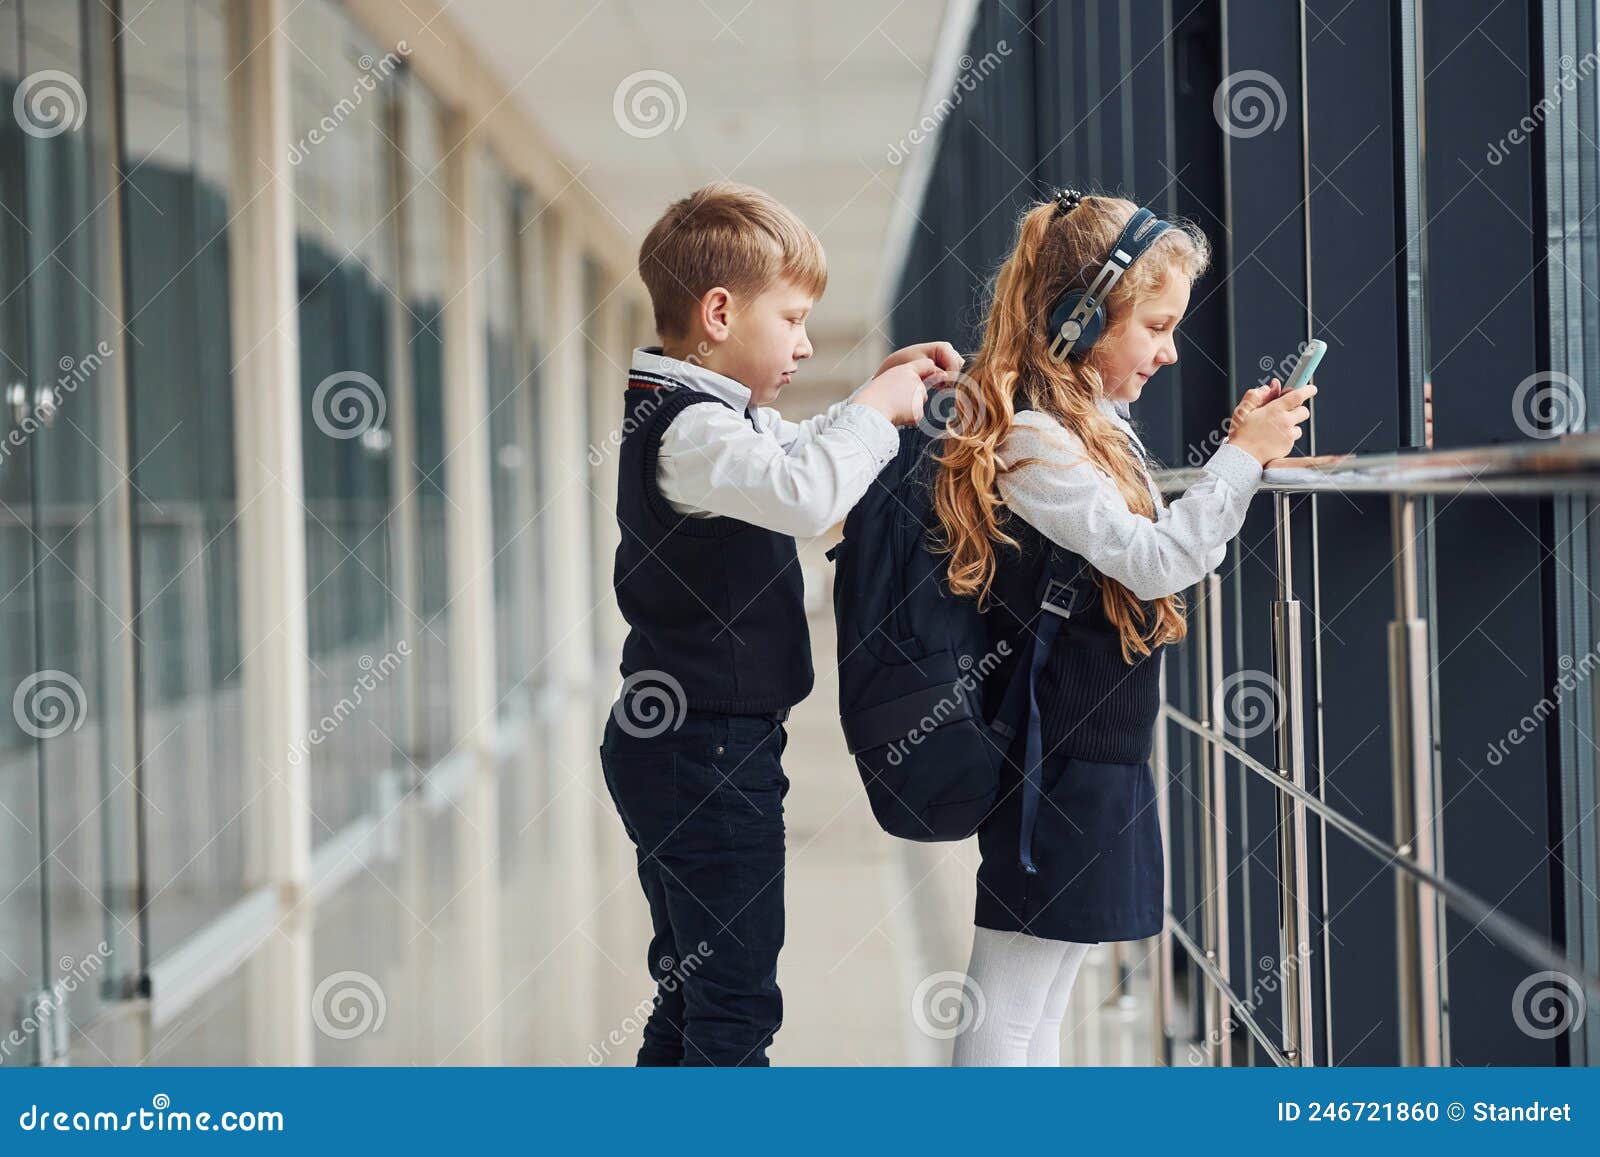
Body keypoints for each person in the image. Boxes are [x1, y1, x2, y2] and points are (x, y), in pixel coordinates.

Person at [928, 189, 1315, 1066]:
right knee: (1013, 996)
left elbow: (1172, 549)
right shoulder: (1034, 439)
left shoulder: (1092, 428)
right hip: (1058, 751)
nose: (1170, 351)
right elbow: (1158, 561)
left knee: (1047, 991)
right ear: (1076, 318)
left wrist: (1240, 462)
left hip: (1096, 742)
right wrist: (1242, 457)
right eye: (1154, 325)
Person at [599, 180, 959, 1065]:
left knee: (693, 1002)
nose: (803, 343)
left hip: (695, 750)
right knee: (736, 1013)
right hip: (705, 757)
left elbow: (789, 454)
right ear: (720, 313)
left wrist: (872, 393)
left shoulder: (710, 419)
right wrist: (875, 412)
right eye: (793, 319)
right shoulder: (691, 432)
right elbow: (807, 493)